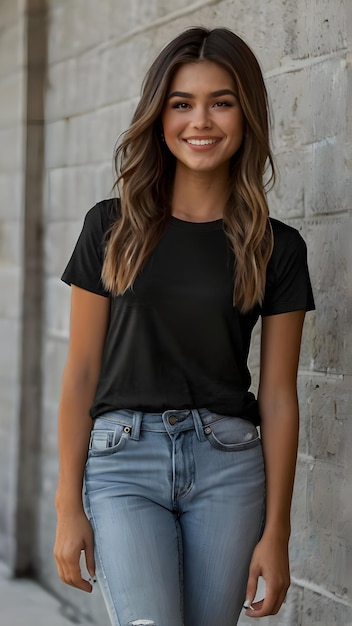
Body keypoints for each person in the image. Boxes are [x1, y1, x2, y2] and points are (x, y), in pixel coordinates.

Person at [54, 26, 315, 626]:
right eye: (182, 104)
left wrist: (278, 532)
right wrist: (68, 504)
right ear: (160, 115)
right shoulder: (110, 228)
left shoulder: (277, 249)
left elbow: (277, 396)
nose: (201, 121)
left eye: (221, 102)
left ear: (246, 114)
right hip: (123, 464)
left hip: (230, 466)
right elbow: (82, 374)